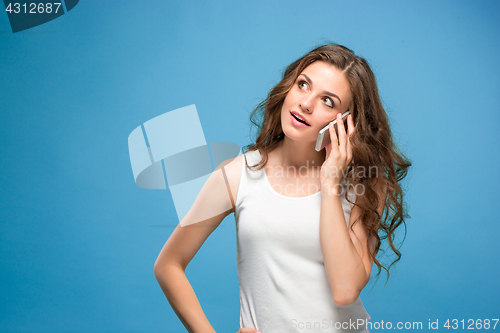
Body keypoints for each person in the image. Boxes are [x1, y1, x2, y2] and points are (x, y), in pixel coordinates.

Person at [154, 44, 411, 333]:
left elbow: (345, 289)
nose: (306, 104)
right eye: (303, 85)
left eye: (328, 101)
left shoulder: (362, 183)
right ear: (288, 87)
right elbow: (168, 265)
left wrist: (329, 183)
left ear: (346, 122)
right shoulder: (238, 175)